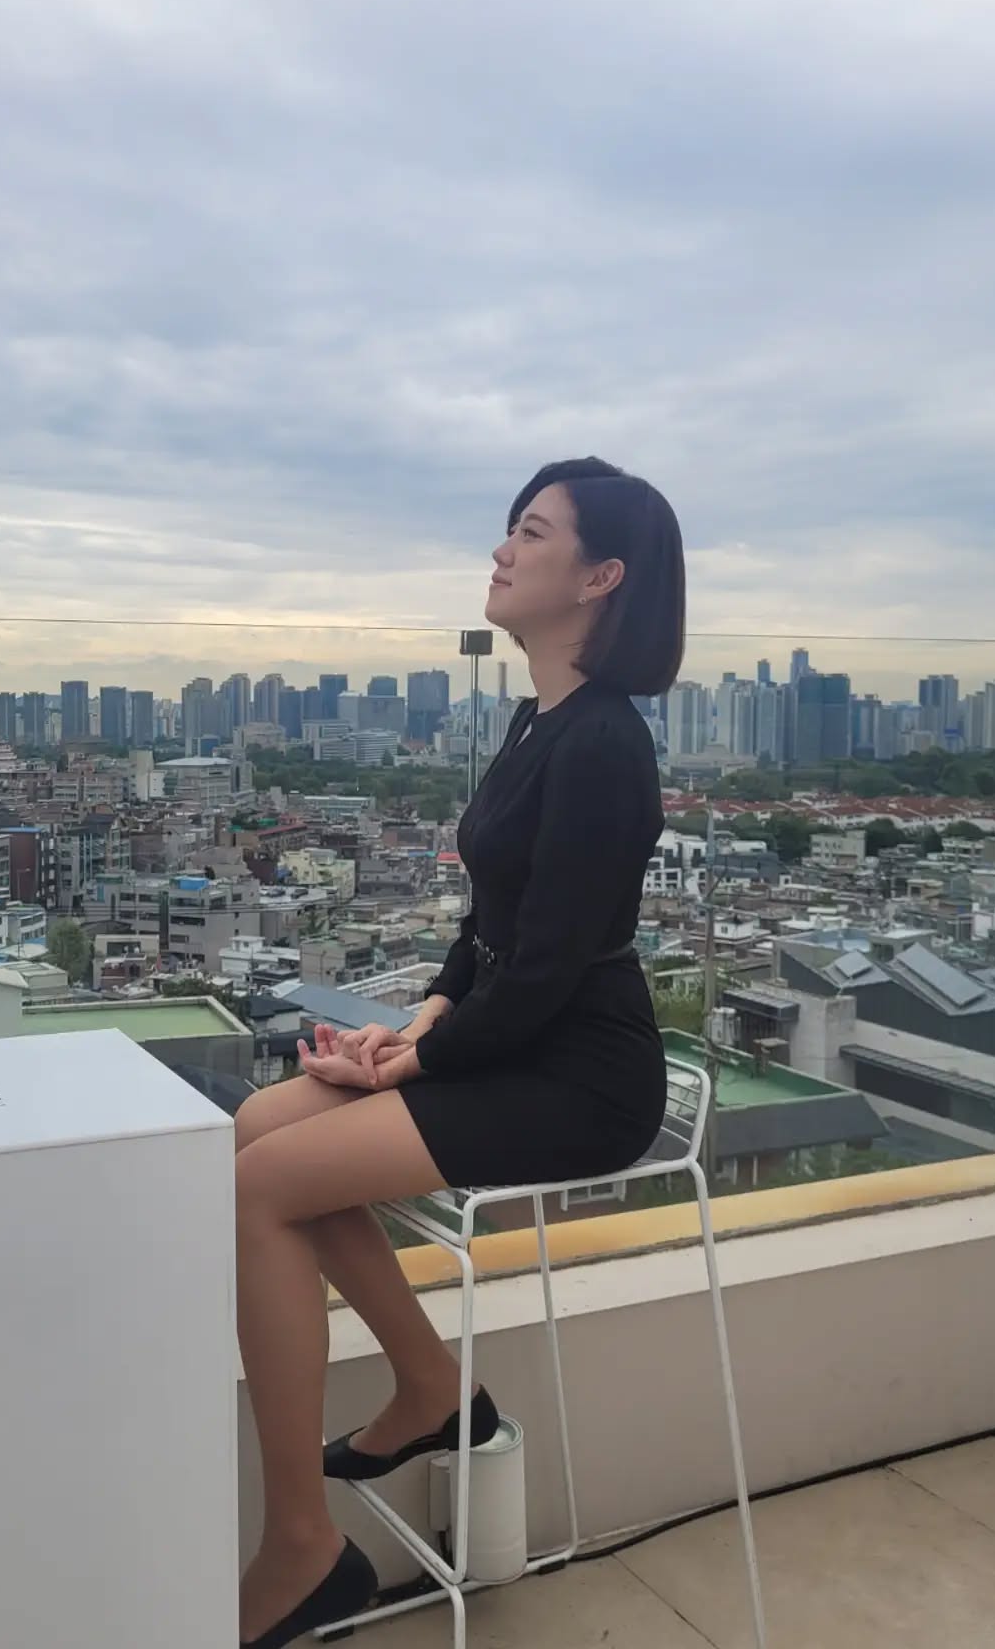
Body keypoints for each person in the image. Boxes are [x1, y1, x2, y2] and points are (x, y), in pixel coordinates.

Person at [233, 456, 686, 1647]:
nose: (501, 548)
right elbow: (492, 929)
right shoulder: (539, 722)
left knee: (262, 1188)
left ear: (599, 577)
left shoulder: (605, 744)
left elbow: (550, 969)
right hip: (514, 1037)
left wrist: (414, 1065)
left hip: (581, 1075)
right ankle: (431, 1385)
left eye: (530, 531)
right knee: (260, 1131)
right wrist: (421, 1020)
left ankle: (301, 1547)